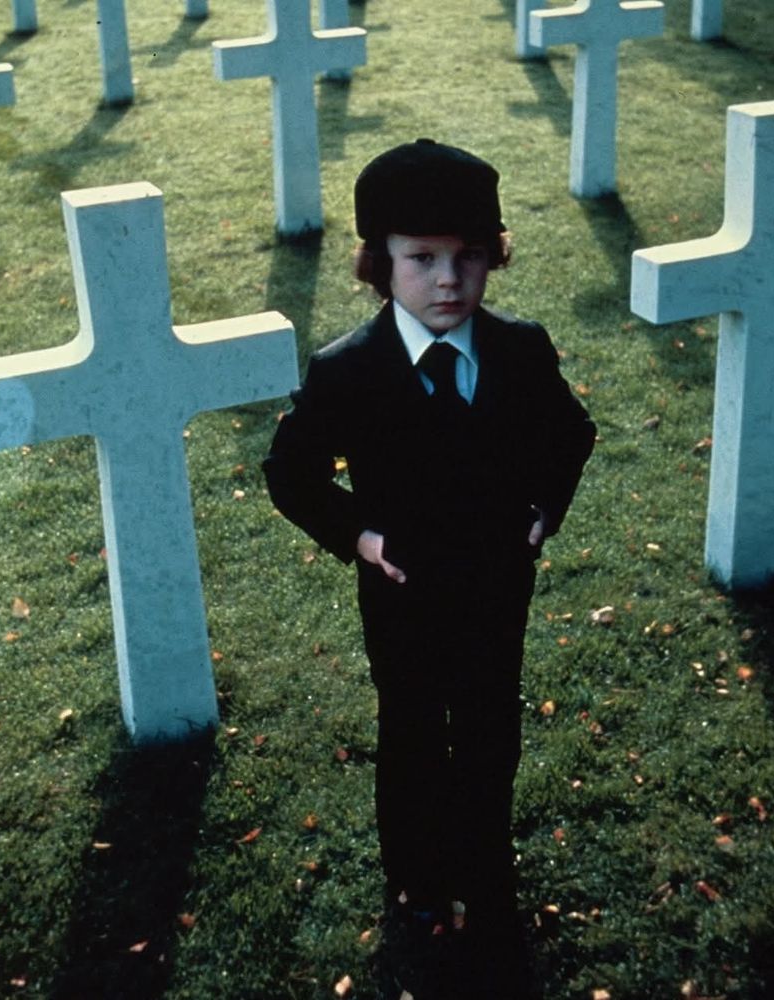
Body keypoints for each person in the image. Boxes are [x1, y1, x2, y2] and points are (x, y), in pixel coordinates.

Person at [263, 139, 595, 998]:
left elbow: (571, 435)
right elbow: (290, 475)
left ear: (493, 255)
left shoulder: (520, 350)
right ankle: (415, 875)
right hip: (402, 592)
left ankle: (483, 870)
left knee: (487, 727)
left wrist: (539, 513)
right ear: (380, 265)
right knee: (412, 729)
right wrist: (359, 538)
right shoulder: (348, 370)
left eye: (467, 257)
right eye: (421, 260)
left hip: (494, 586)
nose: (447, 280)